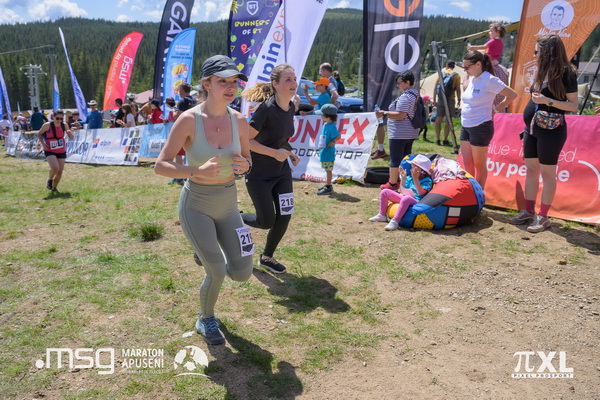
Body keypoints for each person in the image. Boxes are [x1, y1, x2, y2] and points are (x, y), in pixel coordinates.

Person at [154, 55, 253, 345]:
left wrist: (245, 166)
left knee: (243, 273)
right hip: (196, 204)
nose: (231, 87)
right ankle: (206, 318)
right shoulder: (188, 120)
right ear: (207, 84)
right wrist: (196, 170)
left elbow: (247, 160)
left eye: (234, 81)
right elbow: (161, 165)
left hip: (229, 204)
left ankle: (206, 253)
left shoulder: (239, 120)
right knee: (217, 271)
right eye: (223, 81)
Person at [509, 35, 578, 233]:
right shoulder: (541, 71)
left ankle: (544, 216)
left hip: (552, 130)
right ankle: (528, 211)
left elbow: (573, 105)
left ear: (548, 52)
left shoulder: (566, 72)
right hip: (531, 128)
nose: (534, 55)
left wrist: (547, 101)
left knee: (548, 174)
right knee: (531, 169)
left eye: (537, 51)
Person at [241, 63, 300, 274]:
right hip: (259, 174)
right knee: (265, 221)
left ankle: (267, 257)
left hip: (281, 173)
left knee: (285, 215)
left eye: (294, 79)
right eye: (288, 80)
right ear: (275, 84)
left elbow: (280, 138)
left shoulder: (292, 106)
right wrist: (274, 153)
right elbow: (246, 141)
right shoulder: (265, 109)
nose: (293, 83)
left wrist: (289, 152)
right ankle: (234, 217)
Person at [460, 51, 517, 188]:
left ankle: (478, 194)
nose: (465, 70)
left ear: (478, 64)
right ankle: (470, 192)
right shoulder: (472, 78)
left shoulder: (489, 79)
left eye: (467, 67)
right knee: (467, 164)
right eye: (463, 67)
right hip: (466, 124)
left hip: (481, 126)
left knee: (479, 165)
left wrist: (495, 110)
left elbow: (512, 94)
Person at [375, 71, 420, 191]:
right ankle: (404, 181)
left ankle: (393, 183)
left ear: (407, 82)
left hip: (400, 133)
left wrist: (384, 113)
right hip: (410, 132)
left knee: (395, 159)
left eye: (399, 83)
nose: (397, 85)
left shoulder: (406, 97)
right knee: (406, 159)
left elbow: (400, 115)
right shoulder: (415, 95)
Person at [369, 154, 433, 231]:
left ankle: (395, 221)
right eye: (412, 167)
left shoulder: (427, 181)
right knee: (385, 192)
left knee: (406, 198)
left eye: (414, 167)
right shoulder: (410, 178)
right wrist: (403, 178)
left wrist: (416, 179)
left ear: (422, 171)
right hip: (405, 197)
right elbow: (402, 191)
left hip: (417, 201)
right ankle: (382, 215)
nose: (411, 169)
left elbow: (421, 193)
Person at [468, 23, 510, 110]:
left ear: (497, 32)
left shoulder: (493, 41)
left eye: (491, 31)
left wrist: (473, 47)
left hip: (489, 61)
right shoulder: (500, 42)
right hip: (496, 61)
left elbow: (484, 47)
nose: (489, 33)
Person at [37, 110, 74, 193]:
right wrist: (43, 144)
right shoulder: (47, 125)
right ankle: (50, 179)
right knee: (55, 168)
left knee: (60, 172)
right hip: (49, 149)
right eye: (57, 118)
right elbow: (39, 134)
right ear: (53, 117)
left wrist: (69, 133)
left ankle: (54, 188)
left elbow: (71, 138)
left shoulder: (64, 125)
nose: (59, 120)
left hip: (61, 149)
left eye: (61, 119)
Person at [433, 60, 461, 146]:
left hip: (441, 99)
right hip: (450, 99)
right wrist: (459, 99)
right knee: (448, 120)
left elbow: (435, 87)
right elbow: (458, 89)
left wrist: (434, 100)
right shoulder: (456, 75)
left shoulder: (441, 74)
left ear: (446, 65)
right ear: (454, 66)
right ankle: (445, 139)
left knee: (438, 119)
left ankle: (437, 139)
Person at [315, 103, 341, 195]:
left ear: (328, 116)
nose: (321, 116)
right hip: (324, 150)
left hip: (328, 151)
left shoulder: (332, 126)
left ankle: (328, 186)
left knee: (328, 170)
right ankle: (327, 184)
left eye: (322, 114)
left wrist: (332, 142)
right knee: (326, 169)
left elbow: (338, 136)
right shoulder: (326, 124)